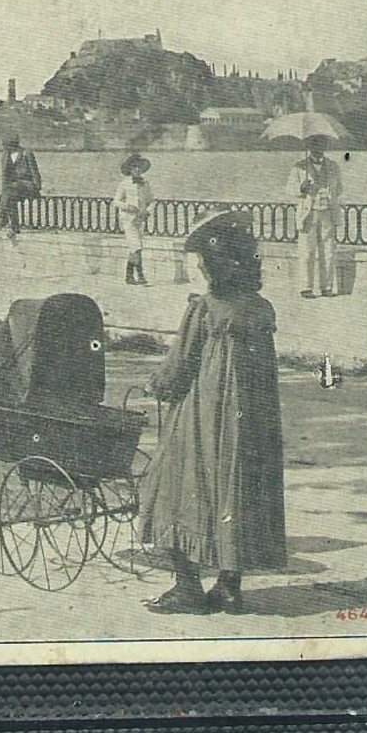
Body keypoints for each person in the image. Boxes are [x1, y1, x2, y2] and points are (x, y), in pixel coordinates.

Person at [138, 211, 287, 615]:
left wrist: (156, 385)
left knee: (176, 485)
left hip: (206, 415)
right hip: (251, 422)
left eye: (200, 262)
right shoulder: (261, 308)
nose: (198, 269)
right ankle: (228, 587)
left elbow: (178, 367)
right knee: (235, 492)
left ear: (214, 264)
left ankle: (187, 588)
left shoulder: (205, 308)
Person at [287, 143, 343, 297]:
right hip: (308, 214)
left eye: (321, 146)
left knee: (328, 251)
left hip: (327, 214)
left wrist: (328, 195)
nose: (318, 150)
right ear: (310, 148)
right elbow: (289, 189)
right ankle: (306, 287)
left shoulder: (333, 166)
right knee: (307, 252)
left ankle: (327, 287)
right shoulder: (299, 167)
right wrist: (301, 188)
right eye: (315, 146)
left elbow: (339, 189)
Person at [111, 154, 153, 284]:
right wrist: (128, 207)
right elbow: (116, 201)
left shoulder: (145, 183)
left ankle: (129, 276)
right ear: (130, 169)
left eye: (139, 167)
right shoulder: (124, 184)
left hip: (140, 220)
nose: (137, 170)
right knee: (137, 247)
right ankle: (140, 276)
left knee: (133, 248)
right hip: (128, 220)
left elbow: (151, 201)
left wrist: (147, 211)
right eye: (134, 167)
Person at [0, 134, 43, 240]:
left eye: (6, 145)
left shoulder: (26, 153)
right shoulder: (5, 155)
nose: (4, 147)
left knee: (10, 191)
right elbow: (5, 176)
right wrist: (4, 190)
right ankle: (14, 227)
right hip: (12, 189)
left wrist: (37, 187)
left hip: (27, 185)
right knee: (10, 199)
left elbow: (34, 171)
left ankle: (2, 217)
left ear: (12, 145)